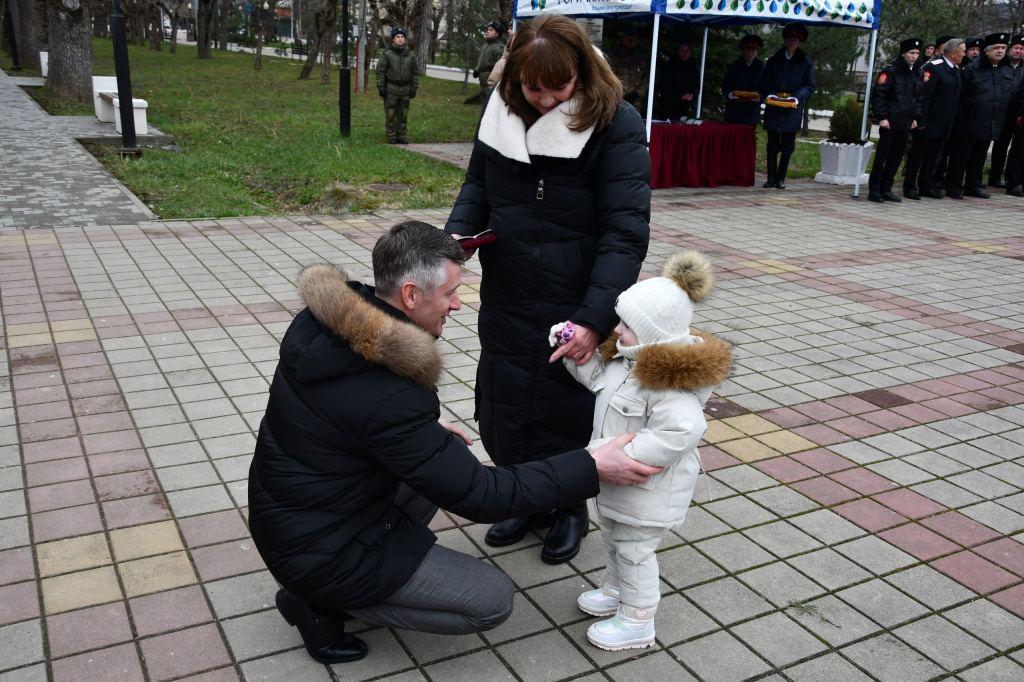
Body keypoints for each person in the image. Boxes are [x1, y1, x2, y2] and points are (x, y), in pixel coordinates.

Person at [248, 222, 660, 665]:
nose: (458, 304)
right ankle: (317, 602)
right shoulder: (389, 397)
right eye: (449, 293)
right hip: (318, 552)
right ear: (411, 295)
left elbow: (345, 416)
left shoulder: (327, 325)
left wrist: (413, 430)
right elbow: (482, 496)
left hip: (292, 515)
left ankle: (356, 568)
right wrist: (590, 466)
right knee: (490, 600)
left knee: (444, 457)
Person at [445, 15, 651, 566]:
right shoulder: (499, 111)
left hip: (576, 294)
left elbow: (625, 231)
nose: (543, 100)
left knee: (567, 400)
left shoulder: (616, 120)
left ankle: (567, 506)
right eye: (532, 88)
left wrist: (594, 317)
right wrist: (453, 241)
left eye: (557, 88)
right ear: (514, 77)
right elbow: (476, 186)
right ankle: (522, 496)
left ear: (580, 72)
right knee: (508, 394)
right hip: (509, 286)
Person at [554, 251, 731, 651]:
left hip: (646, 489)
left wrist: (624, 452)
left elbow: (683, 429)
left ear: (654, 333)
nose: (616, 328)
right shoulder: (627, 361)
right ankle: (617, 590)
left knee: (635, 551)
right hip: (618, 484)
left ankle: (637, 619)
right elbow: (598, 380)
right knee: (614, 538)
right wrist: (573, 355)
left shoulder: (668, 386)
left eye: (626, 325)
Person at [945, 33, 1014, 200]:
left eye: (1003, 48)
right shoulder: (973, 68)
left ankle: (972, 185)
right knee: (961, 157)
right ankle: (953, 186)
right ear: (987, 50)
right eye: (996, 48)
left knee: (979, 157)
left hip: (992, 120)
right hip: (970, 120)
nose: (1000, 51)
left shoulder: (1007, 68)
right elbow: (961, 94)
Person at [903, 39, 965, 199]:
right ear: (953, 53)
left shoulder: (955, 70)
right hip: (928, 122)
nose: (964, 54)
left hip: (943, 124)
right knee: (917, 156)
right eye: (963, 51)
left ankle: (925, 185)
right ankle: (909, 186)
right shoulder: (934, 67)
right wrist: (921, 120)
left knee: (933, 157)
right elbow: (924, 95)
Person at [758, 23, 816, 189]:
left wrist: (797, 97)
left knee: (787, 146)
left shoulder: (805, 63)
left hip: (792, 109)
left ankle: (781, 178)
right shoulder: (774, 60)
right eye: (789, 39)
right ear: (784, 40)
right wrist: (770, 94)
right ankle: (771, 178)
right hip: (774, 107)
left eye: (795, 40)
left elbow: (809, 85)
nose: (792, 42)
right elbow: (763, 81)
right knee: (772, 145)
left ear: (800, 43)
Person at [867, 38, 922, 203]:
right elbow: (879, 95)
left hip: (905, 122)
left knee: (896, 158)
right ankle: (874, 189)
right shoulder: (891, 71)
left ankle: (886, 188)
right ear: (903, 53)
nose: (914, 56)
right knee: (882, 156)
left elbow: (918, 97)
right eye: (911, 53)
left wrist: (915, 117)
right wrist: (882, 117)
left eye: (917, 53)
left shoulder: (917, 72)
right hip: (890, 121)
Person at [987, 34, 1024, 188]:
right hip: (1001, 110)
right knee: (1000, 145)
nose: (1018, 51)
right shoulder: (1002, 64)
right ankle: (994, 176)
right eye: (1016, 48)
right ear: (1010, 49)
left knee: (1017, 148)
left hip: (1018, 111)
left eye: (1021, 49)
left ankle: (1014, 177)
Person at [376, 27, 418, 144]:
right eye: (397, 37)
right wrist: (381, 87)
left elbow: (414, 72)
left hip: (405, 88)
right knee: (390, 114)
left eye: (402, 37)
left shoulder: (410, 55)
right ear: (393, 39)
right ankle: (391, 135)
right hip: (391, 88)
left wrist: (414, 88)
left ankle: (401, 135)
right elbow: (380, 72)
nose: (400, 39)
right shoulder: (387, 54)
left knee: (403, 114)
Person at [721, 34, 765, 127]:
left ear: (757, 52)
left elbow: (765, 86)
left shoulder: (762, 68)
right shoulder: (735, 66)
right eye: (748, 51)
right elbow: (726, 85)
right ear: (744, 52)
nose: (750, 54)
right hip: (734, 112)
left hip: (751, 113)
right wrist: (730, 94)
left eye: (753, 51)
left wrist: (760, 97)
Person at [608, 26, 648, 112]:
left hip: (636, 102)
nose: (630, 42)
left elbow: (645, 79)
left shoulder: (641, 57)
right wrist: (616, 94)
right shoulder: (613, 56)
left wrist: (637, 93)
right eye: (628, 39)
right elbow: (608, 77)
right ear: (623, 39)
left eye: (633, 40)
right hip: (617, 100)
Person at [658, 41, 700, 120]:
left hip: (684, 106)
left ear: (691, 52)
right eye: (682, 50)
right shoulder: (670, 66)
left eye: (687, 51)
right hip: (669, 105)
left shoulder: (693, 67)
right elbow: (664, 87)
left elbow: (697, 85)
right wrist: (680, 96)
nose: (685, 53)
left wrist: (692, 94)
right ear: (678, 51)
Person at [466, 20, 506, 104]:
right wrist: (477, 69)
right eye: (488, 29)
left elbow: (500, 66)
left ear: (497, 33)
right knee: (485, 98)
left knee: (492, 99)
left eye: (491, 30)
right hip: (483, 78)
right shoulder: (485, 46)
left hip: (491, 79)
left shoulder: (499, 48)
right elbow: (481, 60)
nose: (488, 31)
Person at [487, 24, 516, 89]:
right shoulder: (502, 63)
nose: (508, 31)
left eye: (511, 28)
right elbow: (492, 82)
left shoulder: (499, 47)